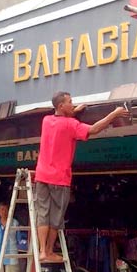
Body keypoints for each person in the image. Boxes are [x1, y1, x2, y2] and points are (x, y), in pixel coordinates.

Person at [35, 91, 129, 262]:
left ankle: (41, 251)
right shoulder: (72, 124)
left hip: (41, 176)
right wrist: (114, 114)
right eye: (70, 102)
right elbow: (94, 129)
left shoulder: (46, 121)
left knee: (43, 214)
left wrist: (75, 111)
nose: (73, 104)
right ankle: (48, 251)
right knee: (56, 217)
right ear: (61, 106)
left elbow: (61, 121)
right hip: (59, 178)